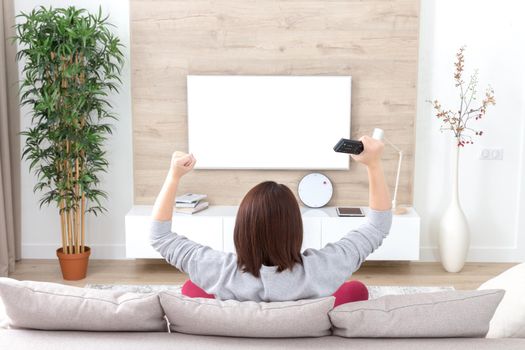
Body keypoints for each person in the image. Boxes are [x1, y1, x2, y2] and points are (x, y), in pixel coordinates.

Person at [150, 135, 392, 306]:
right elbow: (377, 226)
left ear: (241, 229)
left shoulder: (217, 271)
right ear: (295, 228)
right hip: (305, 325)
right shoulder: (321, 270)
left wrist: (174, 176)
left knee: (191, 289)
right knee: (355, 290)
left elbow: (159, 236)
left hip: (233, 317)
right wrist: (373, 165)